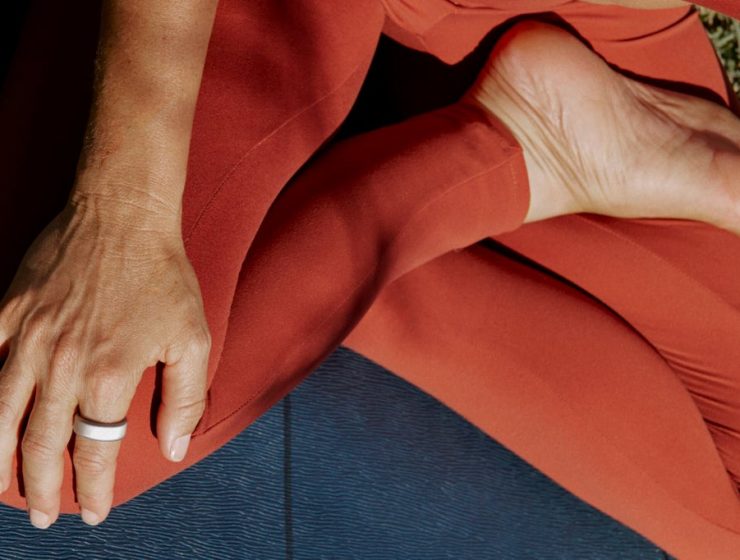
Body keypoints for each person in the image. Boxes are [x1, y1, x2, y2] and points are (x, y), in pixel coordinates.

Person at [0, 0, 740, 558]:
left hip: (563, 23)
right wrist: (124, 210)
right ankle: (482, 160)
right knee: (58, 434)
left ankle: (484, 160)